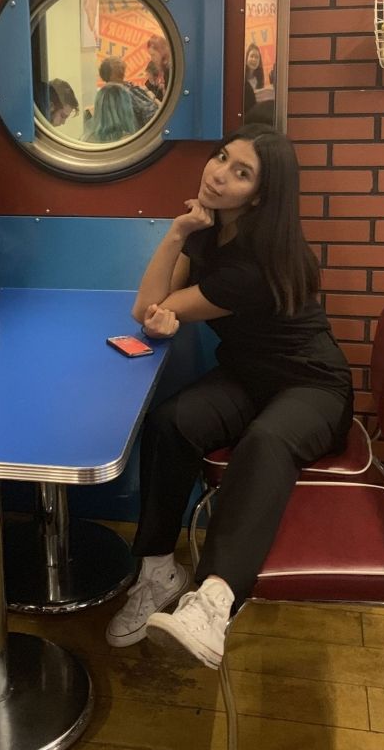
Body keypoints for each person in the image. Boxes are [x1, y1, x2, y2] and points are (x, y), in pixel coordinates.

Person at [105, 124, 353, 667]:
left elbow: (156, 311)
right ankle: (156, 570)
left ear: (261, 195)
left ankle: (214, 600)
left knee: (264, 441)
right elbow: (147, 310)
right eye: (221, 158)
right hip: (247, 377)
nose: (218, 174)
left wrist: (164, 309)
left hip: (311, 385)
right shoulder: (207, 231)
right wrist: (177, 232)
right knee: (172, 421)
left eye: (241, 173)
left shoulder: (253, 266)